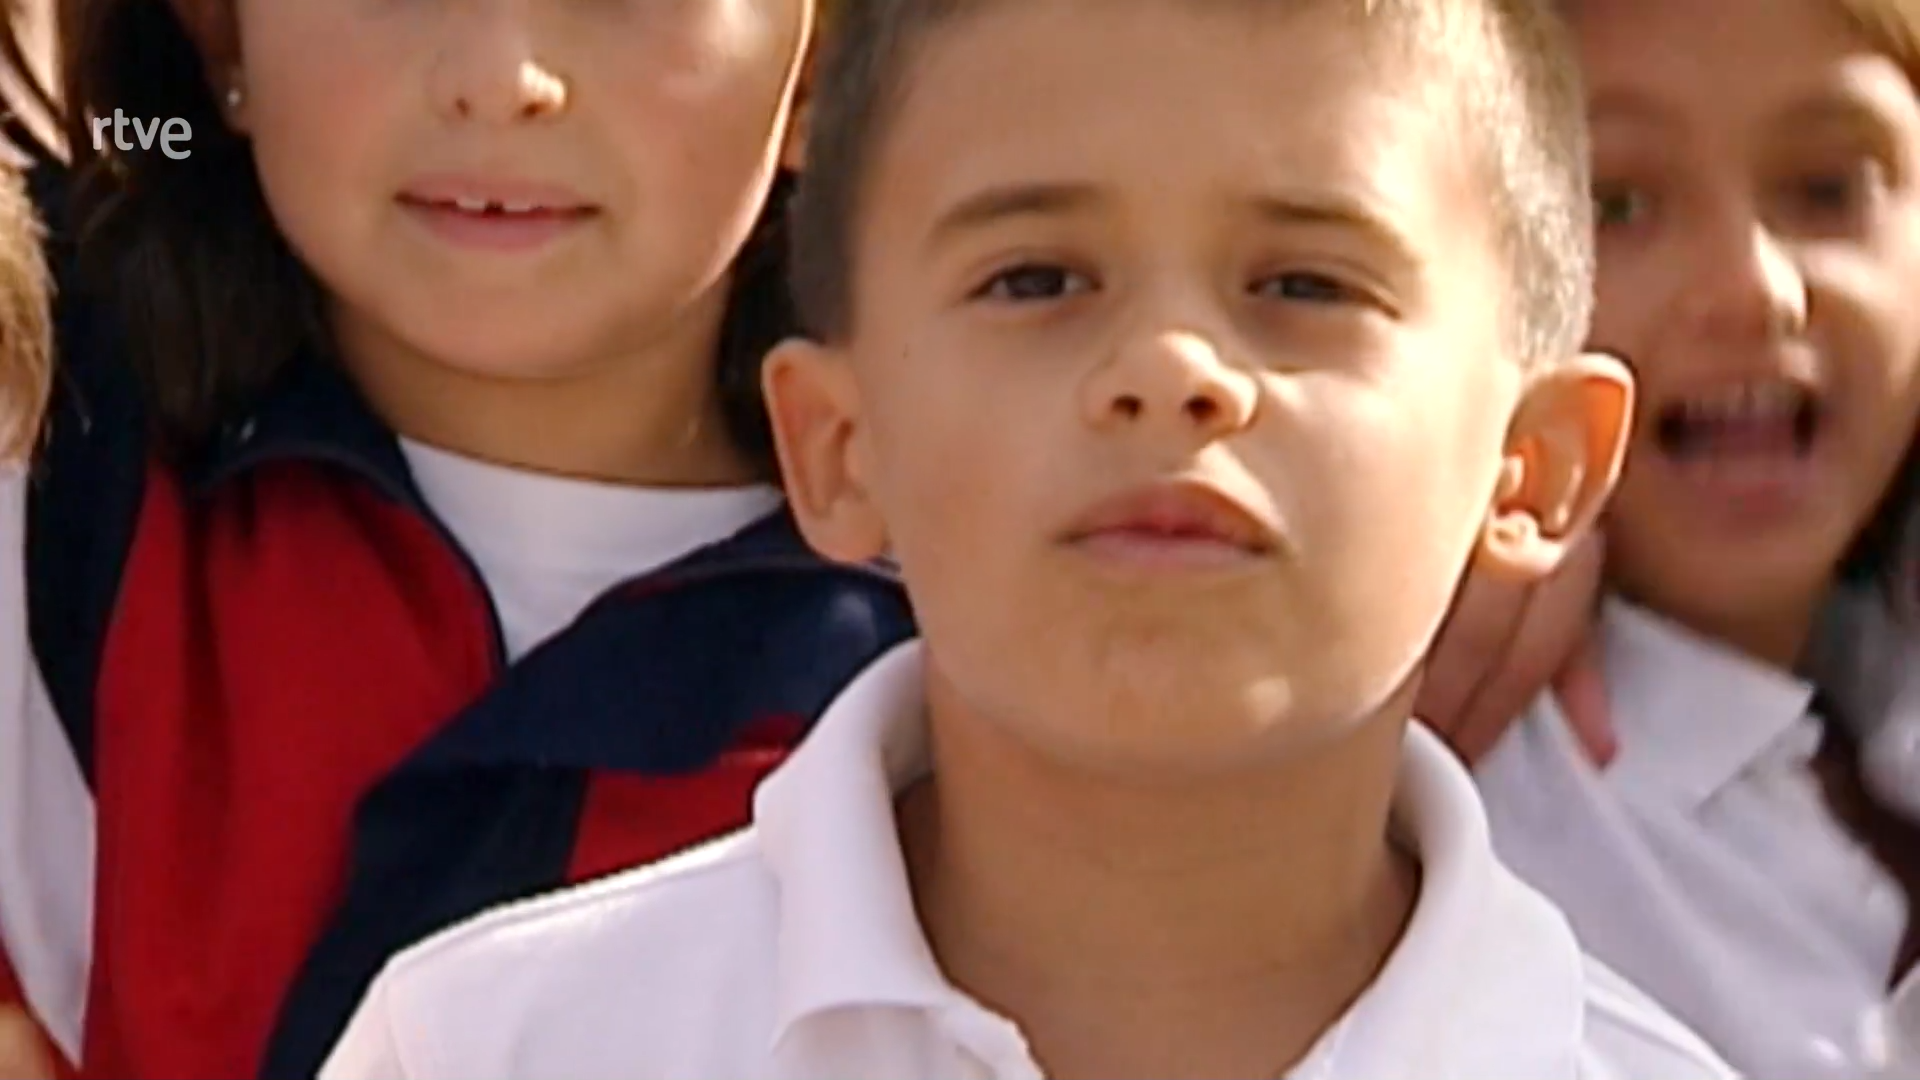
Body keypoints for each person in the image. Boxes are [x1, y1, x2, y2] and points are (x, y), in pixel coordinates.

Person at [319, 0, 1733, 1076]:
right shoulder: (493, 1046)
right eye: (1037, 278)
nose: (1170, 370)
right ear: (838, 445)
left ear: (1536, 466)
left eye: (1304, 284)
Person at [27, 0, 911, 1075]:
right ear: (221, 37)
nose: (500, 81)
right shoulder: (50, 449)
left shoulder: (968, 662)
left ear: (821, 68)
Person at [1473, 0, 1920, 1074]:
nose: (1752, 289)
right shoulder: (1457, 792)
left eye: (1829, 188)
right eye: (1616, 204)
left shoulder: (1883, 685)